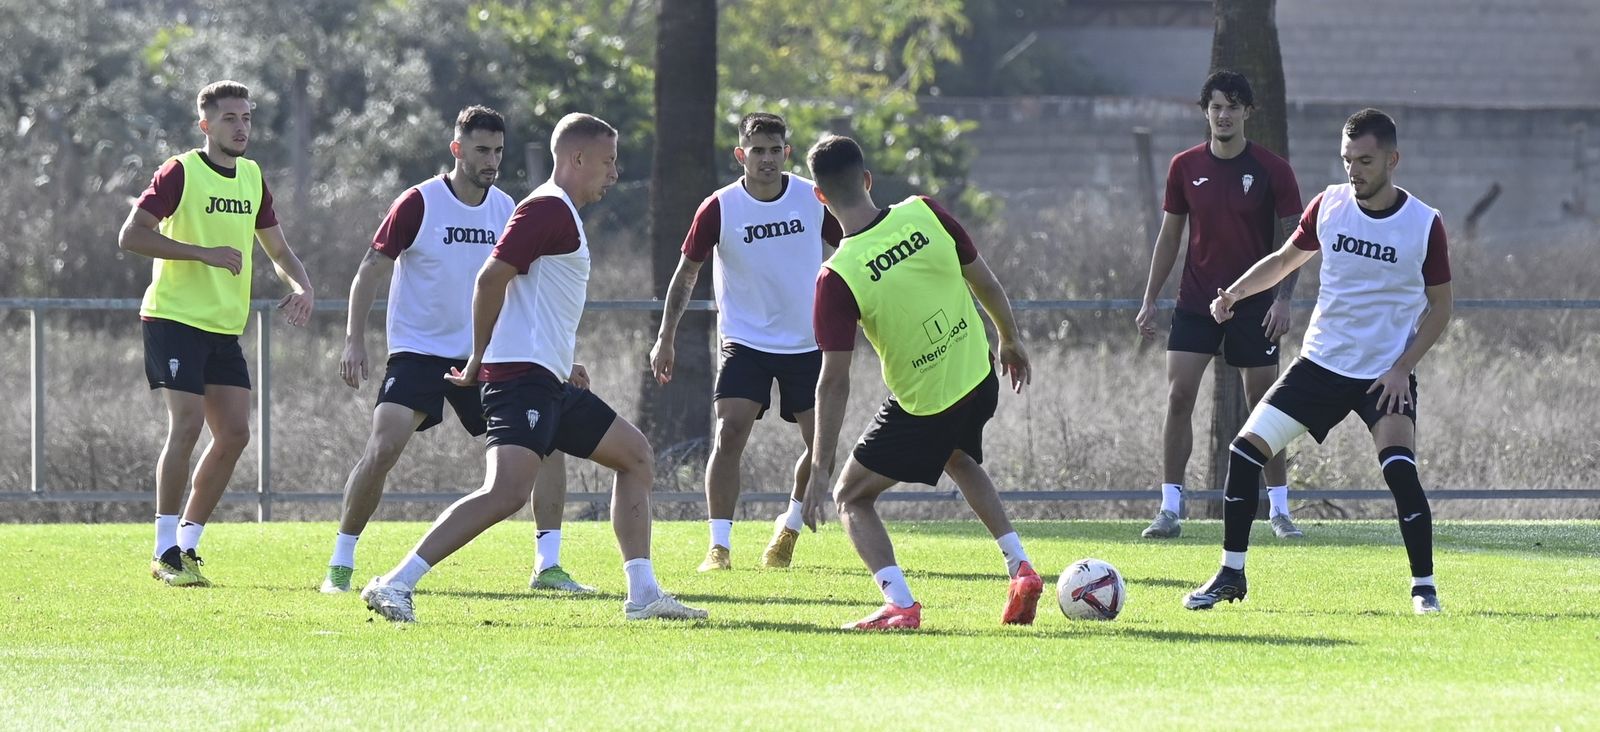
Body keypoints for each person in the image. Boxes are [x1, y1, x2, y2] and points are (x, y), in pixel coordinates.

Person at [361, 113, 706, 623]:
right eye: (608, 162)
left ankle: (643, 594)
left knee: (635, 456)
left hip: (546, 377)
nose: (614, 173)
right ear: (577, 159)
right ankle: (394, 584)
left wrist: (565, 363)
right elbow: (489, 278)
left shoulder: (559, 211)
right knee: (505, 492)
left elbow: (536, 299)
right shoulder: (547, 209)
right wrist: (478, 359)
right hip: (519, 380)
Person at [1184, 108, 1453, 615]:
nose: (1355, 170)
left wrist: (1401, 368)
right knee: (1244, 453)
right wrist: (1235, 294)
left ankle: (1424, 588)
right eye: (1348, 159)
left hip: (1383, 375)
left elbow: (1442, 308)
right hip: (1321, 364)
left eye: (1366, 160)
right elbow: (1285, 260)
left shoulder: (1424, 224)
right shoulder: (1329, 204)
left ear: (1393, 160)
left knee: (1400, 470)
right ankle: (1230, 575)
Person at [321, 106, 591, 595]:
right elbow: (370, 269)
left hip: (488, 354)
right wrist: (353, 339)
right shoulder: (419, 202)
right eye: (482, 150)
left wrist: (555, 356)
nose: (491, 160)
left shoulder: (508, 207)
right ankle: (341, 563)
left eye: (498, 151)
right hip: (419, 352)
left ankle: (547, 565)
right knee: (383, 448)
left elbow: (526, 289)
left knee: (547, 442)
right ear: (457, 149)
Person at [802, 135, 1043, 630]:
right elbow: (986, 281)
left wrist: (820, 468)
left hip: (927, 404)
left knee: (851, 496)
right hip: (978, 376)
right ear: (868, 180)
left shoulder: (837, 275)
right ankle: (1020, 568)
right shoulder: (924, 211)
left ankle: (900, 604)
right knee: (958, 455)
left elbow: (834, 382)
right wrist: (1010, 340)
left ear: (820, 198)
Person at [118, 80, 314, 587]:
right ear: (205, 125)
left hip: (223, 328)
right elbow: (132, 235)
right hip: (174, 317)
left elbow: (278, 250)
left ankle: (187, 547)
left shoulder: (252, 177)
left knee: (234, 434)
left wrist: (303, 285)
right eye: (229, 118)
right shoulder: (180, 171)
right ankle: (163, 551)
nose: (241, 126)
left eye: (246, 117)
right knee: (185, 426)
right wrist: (202, 254)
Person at [649, 112, 843, 572]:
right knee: (729, 431)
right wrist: (665, 337)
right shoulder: (719, 207)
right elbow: (686, 273)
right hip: (745, 340)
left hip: (806, 340)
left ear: (787, 153)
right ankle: (719, 546)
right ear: (741, 155)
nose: (767, 159)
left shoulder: (812, 198)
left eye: (776, 150)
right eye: (757, 150)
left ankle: (789, 528)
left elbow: (853, 242)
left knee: (823, 447)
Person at [1134, 71, 1305, 540]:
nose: (1223, 115)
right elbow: (1170, 237)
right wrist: (1151, 299)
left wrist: (1284, 301)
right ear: (1205, 112)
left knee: (1266, 407)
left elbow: (1296, 242)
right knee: (1178, 398)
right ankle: (1170, 509)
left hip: (1255, 306)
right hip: (1195, 303)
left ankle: (1280, 512)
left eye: (1232, 106)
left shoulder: (1273, 169)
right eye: (1215, 107)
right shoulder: (1184, 167)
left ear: (1248, 111)